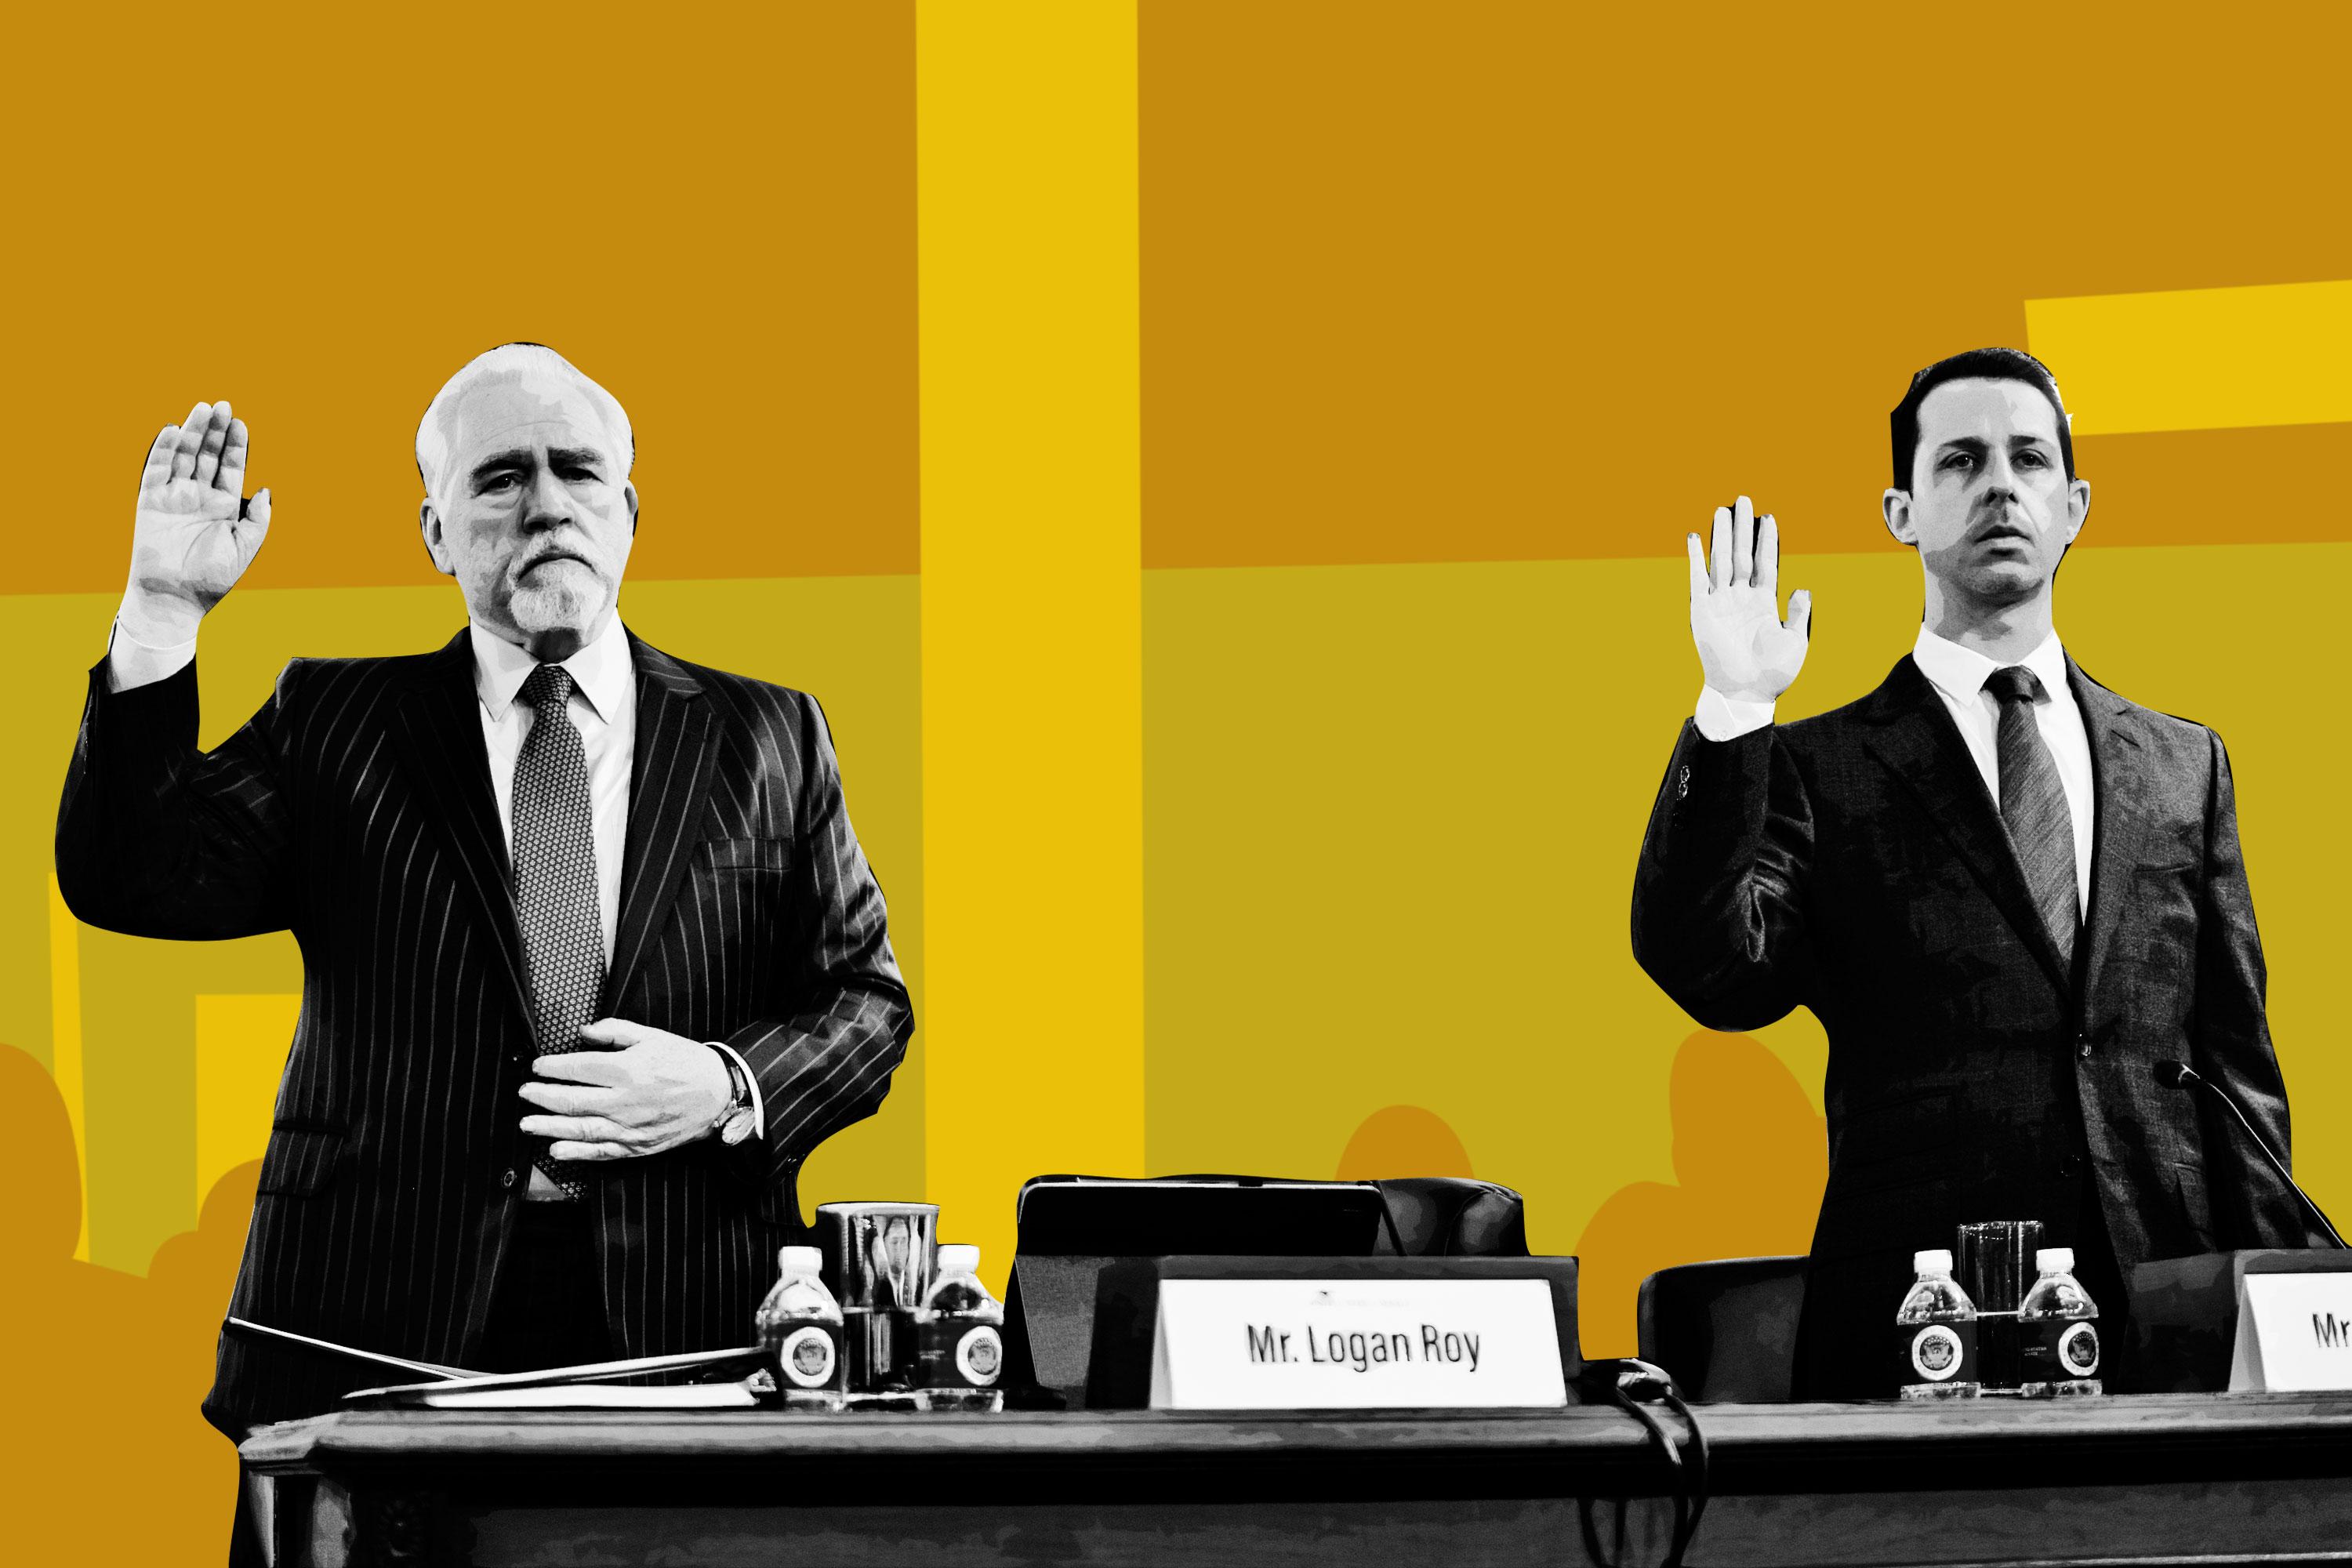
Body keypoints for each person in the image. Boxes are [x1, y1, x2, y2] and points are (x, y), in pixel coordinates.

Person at [56, 344, 914, 1444]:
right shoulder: (333, 722)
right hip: (373, 1327)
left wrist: (724, 1082)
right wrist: (162, 611)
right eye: (502, 478)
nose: (548, 505)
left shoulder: (769, 733)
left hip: (690, 1325)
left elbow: (865, 1002)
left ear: (627, 513)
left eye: (579, 471)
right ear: (435, 533)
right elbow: (128, 877)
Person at [1631, 346, 2319, 1399]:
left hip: (2165, 1318)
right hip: (1921, 1318)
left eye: (2029, 459)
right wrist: (1734, 709)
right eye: (1961, 460)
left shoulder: (2185, 765)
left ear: (2075, 507)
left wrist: (2293, 1329)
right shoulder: (1820, 765)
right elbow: (1709, 968)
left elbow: (2238, 1074)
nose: (2001, 486)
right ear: (1901, 513)